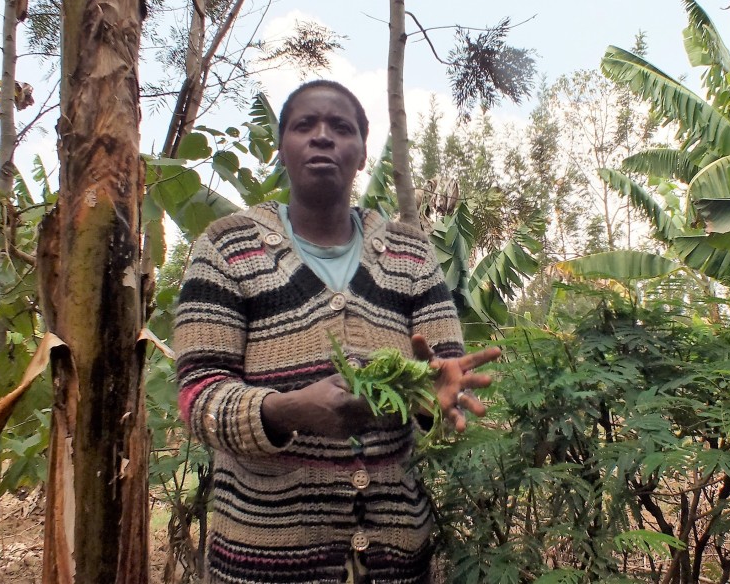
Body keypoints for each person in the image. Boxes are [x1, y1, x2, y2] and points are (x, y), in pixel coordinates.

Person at [174, 79, 500, 583]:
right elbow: (198, 396)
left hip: (395, 561)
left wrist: (432, 399)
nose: (322, 136)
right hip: (263, 561)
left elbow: (444, 375)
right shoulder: (226, 247)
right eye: (304, 125)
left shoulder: (411, 253)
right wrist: (285, 411)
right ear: (282, 148)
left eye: (342, 128)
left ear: (363, 153)